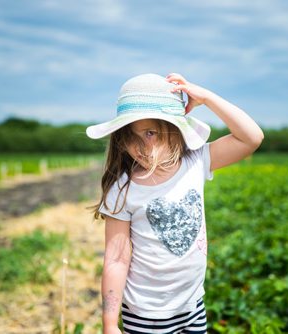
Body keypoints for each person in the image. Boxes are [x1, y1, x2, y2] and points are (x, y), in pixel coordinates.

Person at [86, 73, 264, 334]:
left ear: (175, 129)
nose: (140, 146)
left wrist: (207, 98)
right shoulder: (123, 189)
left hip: (193, 306)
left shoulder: (196, 162)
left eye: (150, 133)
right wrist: (110, 323)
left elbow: (252, 138)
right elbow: (116, 258)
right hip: (146, 313)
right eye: (131, 135)